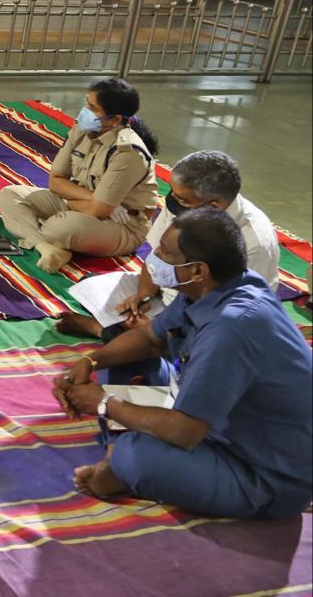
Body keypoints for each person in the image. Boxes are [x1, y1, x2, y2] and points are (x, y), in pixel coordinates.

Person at [53, 209, 312, 519]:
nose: (155, 258)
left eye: (165, 253)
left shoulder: (231, 329)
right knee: (123, 363)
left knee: (133, 454)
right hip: (218, 426)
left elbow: (185, 432)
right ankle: (117, 462)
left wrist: (105, 404)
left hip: (262, 474)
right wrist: (88, 361)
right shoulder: (215, 289)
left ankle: (120, 466)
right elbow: (150, 339)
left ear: (198, 270)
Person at [57, 150, 281, 338]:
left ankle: (100, 329)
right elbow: (156, 255)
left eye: (182, 198)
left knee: (146, 346)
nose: (173, 201)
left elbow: (229, 316)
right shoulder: (186, 206)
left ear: (212, 206)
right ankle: (122, 328)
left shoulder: (253, 242)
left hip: (215, 317)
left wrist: (163, 328)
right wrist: (143, 294)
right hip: (174, 296)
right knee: (96, 289)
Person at [0, 78, 159, 273]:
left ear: (115, 119)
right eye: (86, 103)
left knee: (60, 227)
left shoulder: (127, 152)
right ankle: (46, 247)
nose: (85, 111)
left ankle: (42, 235)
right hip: (84, 204)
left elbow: (99, 211)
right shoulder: (81, 129)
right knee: (11, 194)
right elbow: (56, 181)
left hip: (121, 224)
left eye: (93, 107)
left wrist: (87, 203)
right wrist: (92, 200)